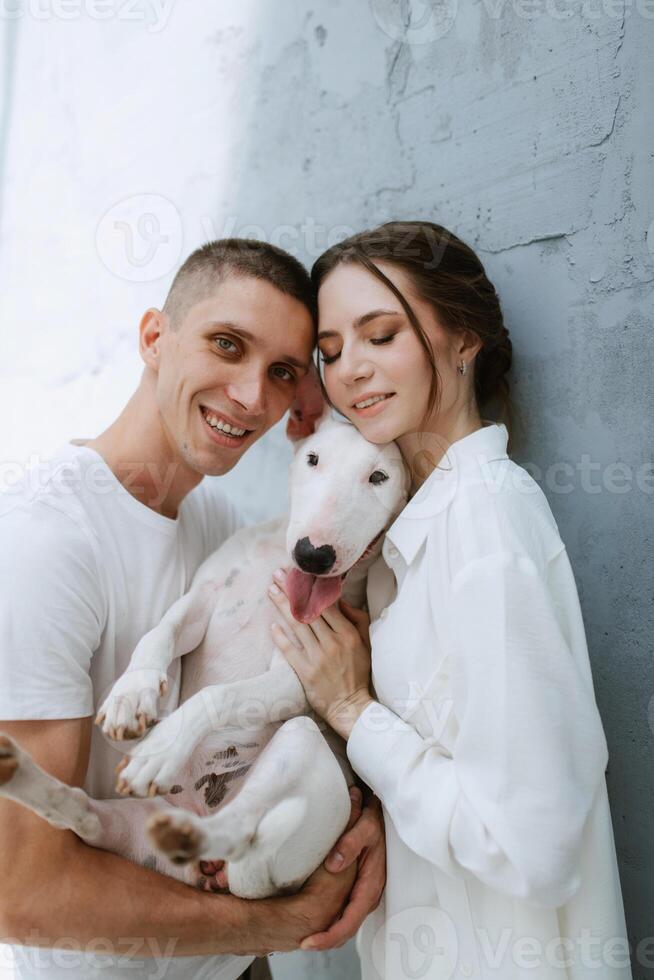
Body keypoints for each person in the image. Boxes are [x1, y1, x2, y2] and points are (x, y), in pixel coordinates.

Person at [0, 239, 386, 980]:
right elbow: (24, 890)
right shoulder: (44, 543)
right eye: (225, 345)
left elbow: (295, 726)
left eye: (280, 374)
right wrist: (282, 922)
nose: (251, 397)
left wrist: (358, 825)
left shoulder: (226, 527)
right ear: (154, 338)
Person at [267, 221, 633, 979]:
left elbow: (533, 848)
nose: (351, 372)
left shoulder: (484, 521)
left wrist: (351, 711)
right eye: (330, 353)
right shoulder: (409, 532)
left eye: (381, 335)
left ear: (462, 341)